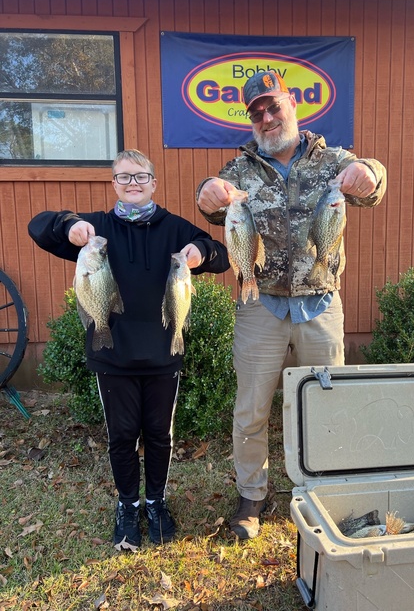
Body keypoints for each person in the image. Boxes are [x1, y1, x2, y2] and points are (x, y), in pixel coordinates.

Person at [196, 70, 387, 540]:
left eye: (272, 106)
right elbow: (214, 204)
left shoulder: (331, 161)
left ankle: (327, 490)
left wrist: (372, 173)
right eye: (255, 111)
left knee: (330, 403)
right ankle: (251, 496)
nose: (265, 117)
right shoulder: (239, 170)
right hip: (259, 304)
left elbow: (373, 183)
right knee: (251, 409)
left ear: (292, 105)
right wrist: (206, 194)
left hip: (321, 302)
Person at [28, 149, 230, 551]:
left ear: (154, 183)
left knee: (159, 434)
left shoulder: (175, 229)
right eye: (124, 178)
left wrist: (200, 253)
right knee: (121, 436)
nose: (133, 184)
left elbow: (221, 256)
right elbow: (38, 227)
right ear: (114, 183)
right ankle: (127, 504)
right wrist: (69, 225)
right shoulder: (96, 232)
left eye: (141, 177)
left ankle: (155, 502)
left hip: (163, 353)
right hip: (113, 353)